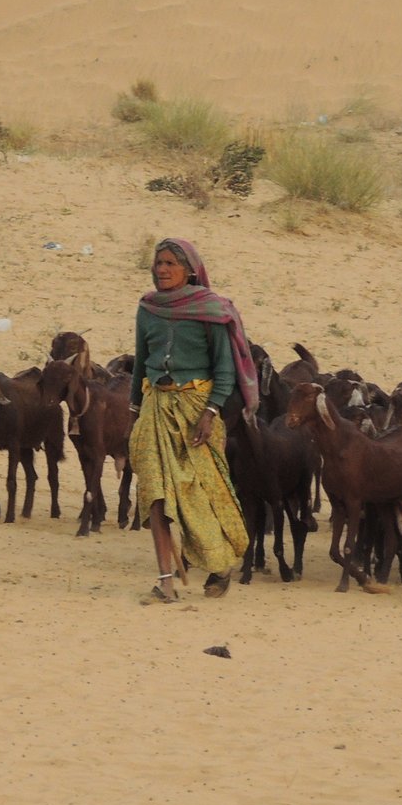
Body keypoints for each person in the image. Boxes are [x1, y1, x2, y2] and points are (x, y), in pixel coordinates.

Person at [127, 238, 257, 602]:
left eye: (170, 263)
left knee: (202, 496)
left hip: (196, 411)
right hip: (155, 408)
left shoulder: (211, 311)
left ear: (190, 270)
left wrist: (210, 412)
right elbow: (140, 363)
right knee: (155, 494)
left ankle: (220, 563)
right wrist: (134, 411)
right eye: (158, 263)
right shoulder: (147, 309)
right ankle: (165, 582)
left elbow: (225, 368)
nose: (162, 270)